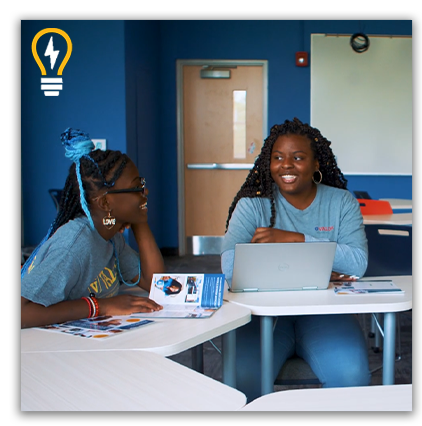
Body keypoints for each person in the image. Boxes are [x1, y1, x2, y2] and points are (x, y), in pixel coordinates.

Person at [221, 118, 371, 401]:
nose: (286, 165)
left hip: (325, 314)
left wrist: (295, 239)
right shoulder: (251, 205)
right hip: (262, 315)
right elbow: (231, 268)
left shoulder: (341, 203)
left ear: (316, 164)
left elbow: (358, 263)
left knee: (352, 375)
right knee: (241, 380)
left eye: (298, 157)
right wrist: (318, 268)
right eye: (277, 157)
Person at [21, 128, 164, 328]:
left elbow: (155, 283)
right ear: (105, 203)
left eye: (142, 183)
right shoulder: (75, 244)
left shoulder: (110, 236)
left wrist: (139, 219)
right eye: (136, 187)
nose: (145, 191)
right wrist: (100, 306)